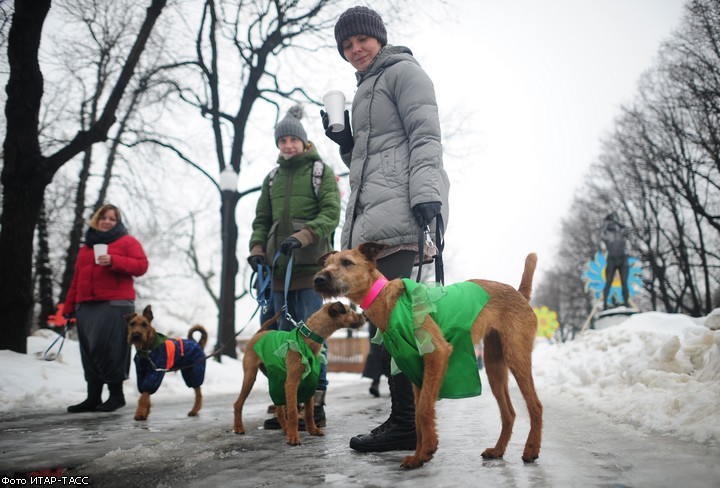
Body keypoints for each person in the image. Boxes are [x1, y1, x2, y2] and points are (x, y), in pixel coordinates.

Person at [323, 6, 450, 453]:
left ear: (379, 38)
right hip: (372, 222)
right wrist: (347, 146)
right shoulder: (363, 91)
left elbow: (425, 136)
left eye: (361, 41)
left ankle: (405, 424)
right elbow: (372, 163)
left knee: (399, 329)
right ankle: (405, 421)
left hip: (400, 217)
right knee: (388, 330)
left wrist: (426, 194)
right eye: (346, 46)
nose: (355, 50)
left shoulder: (403, 73)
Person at [248, 105, 341, 429]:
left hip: (310, 273)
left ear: (303, 141)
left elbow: (331, 212)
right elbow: (261, 219)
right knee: (278, 341)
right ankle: (286, 406)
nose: (288, 145)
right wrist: (258, 250)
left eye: (293, 139)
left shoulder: (320, 172)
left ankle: (314, 405)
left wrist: (301, 237)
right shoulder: (271, 178)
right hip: (275, 274)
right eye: (282, 140)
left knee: (311, 339)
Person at [63, 204, 149, 413]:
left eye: (113, 218)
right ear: (96, 220)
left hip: (114, 304)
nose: (107, 221)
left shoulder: (127, 242)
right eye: (104, 218)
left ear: (117, 222)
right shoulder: (86, 248)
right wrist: (69, 306)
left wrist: (114, 260)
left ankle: (116, 395)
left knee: (109, 349)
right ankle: (93, 397)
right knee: (89, 351)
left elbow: (141, 266)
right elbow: (76, 279)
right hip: (86, 305)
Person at [601, 212, 630, 309]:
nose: (612, 223)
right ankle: (605, 304)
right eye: (611, 221)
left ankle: (626, 302)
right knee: (608, 282)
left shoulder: (620, 232)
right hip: (612, 259)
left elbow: (626, 229)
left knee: (624, 282)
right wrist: (606, 222)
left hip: (622, 258)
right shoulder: (607, 234)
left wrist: (616, 222)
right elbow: (602, 234)